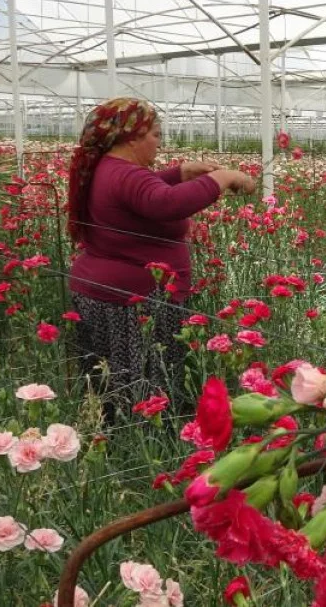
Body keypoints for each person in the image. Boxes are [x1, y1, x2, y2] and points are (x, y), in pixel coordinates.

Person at [66, 97, 256, 420]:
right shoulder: (124, 174)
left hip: (107, 295)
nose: (159, 142)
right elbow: (165, 203)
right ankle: (144, 441)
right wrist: (223, 178)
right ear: (132, 137)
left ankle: (116, 437)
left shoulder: (108, 169)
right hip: (133, 303)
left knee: (113, 388)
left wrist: (180, 173)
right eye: (155, 134)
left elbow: (141, 193)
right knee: (145, 392)